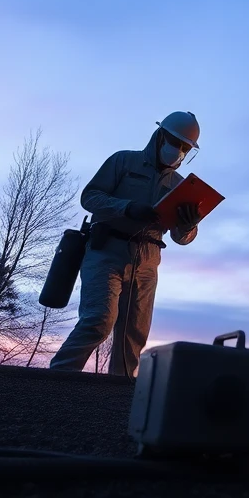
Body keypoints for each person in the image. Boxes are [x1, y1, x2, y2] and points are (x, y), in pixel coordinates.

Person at [50, 111, 204, 377]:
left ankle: (117, 400)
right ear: (159, 136)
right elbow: (90, 197)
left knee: (133, 335)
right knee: (98, 321)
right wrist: (127, 207)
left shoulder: (181, 186)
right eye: (174, 142)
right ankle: (55, 380)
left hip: (147, 262)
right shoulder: (123, 161)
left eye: (184, 148)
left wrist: (189, 225)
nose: (177, 151)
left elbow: (181, 238)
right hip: (106, 252)